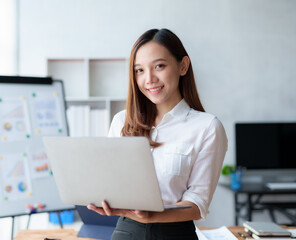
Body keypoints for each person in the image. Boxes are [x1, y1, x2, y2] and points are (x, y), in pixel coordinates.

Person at [87, 28, 228, 240]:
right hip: (126, 231)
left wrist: (153, 215)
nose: (149, 79)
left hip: (175, 234)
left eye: (159, 66)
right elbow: (111, 182)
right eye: (139, 70)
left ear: (183, 66)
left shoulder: (207, 127)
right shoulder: (122, 122)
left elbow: (198, 204)